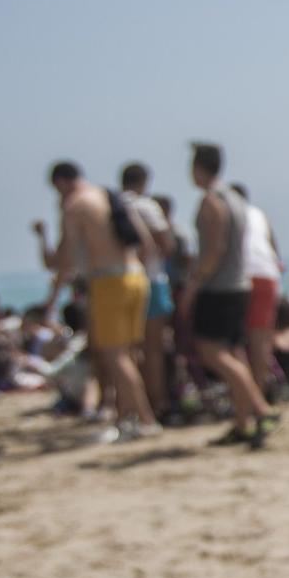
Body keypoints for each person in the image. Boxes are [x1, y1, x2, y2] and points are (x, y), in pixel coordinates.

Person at [40, 161, 159, 439]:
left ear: (62, 182)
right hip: (136, 277)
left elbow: (65, 261)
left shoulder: (75, 206)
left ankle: (144, 420)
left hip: (108, 281)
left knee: (115, 357)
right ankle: (125, 418)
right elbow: (146, 244)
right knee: (129, 355)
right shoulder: (110, 195)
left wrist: (52, 301)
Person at [184, 143, 276, 448]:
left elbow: (214, 250)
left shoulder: (212, 201)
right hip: (240, 284)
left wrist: (194, 285)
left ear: (199, 167)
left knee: (211, 351)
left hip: (220, 286)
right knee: (236, 353)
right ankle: (242, 422)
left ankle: (260, 409)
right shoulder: (237, 200)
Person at [119, 162, 177, 422]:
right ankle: (158, 404)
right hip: (151, 281)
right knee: (154, 348)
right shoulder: (145, 205)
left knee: (128, 350)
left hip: (120, 280)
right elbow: (167, 243)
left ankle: (131, 406)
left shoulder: (114, 206)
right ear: (145, 181)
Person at [233, 183, 283, 393]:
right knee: (261, 339)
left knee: (234, 339)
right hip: (268, 274)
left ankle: (245, 394)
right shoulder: (259, 214)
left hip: (241, 275)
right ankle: (260, 390)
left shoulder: (227, 211)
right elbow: (273, 247)